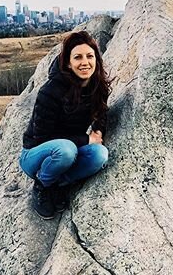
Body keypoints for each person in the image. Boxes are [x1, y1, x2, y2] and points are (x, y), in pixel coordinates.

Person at [20, 30, 111, 219]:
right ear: (68, 63)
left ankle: (58, 185)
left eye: (89, 56)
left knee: (100, 155)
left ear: (96, 60)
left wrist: (99, 131)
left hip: (68, 151)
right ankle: (42, 185)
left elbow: (101, 114)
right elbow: (42, 137)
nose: (85, 62)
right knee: (66, 150)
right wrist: (87, 138)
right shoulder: (51, 91)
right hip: (36, 155)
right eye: (77, 57)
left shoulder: (97, 86)